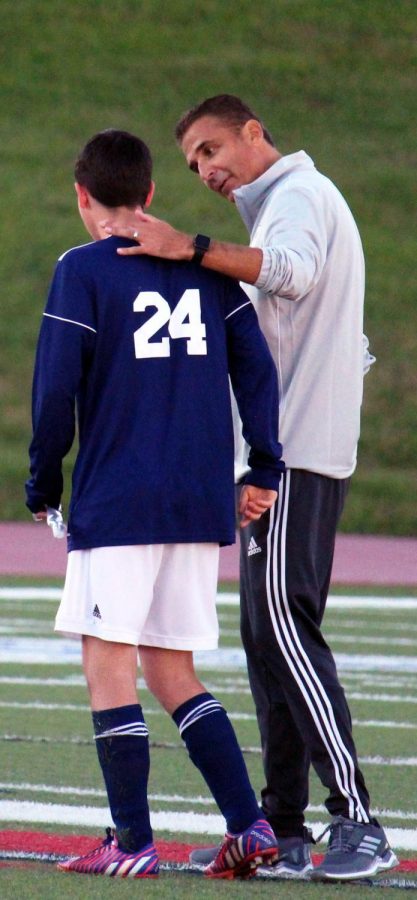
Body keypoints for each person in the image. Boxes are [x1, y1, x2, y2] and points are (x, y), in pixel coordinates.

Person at [102, 96, 398, 882]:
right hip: (293, 452)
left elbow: (292, 277)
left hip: (294, 457)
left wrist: (187, 248)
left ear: (255, 132)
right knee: (269, 644)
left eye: (211, 149)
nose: (204, 169)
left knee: (286, 635)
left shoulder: (295, 198)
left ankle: (359, 822)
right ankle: (286, 827)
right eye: (193, 161)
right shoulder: (289, 205)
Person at [25, 127, 285, 880]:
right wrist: (260, 465)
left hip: (120, 498)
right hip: (197, 502)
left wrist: (43, 482)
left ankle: (131, 838)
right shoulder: (202, 268)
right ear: (149, 195)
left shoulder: (82, 270)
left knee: (107, 664)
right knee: (173, 669)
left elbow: (54, 393)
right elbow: (256, 375)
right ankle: (249, 823)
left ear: (82, 196)